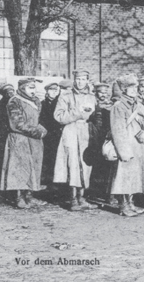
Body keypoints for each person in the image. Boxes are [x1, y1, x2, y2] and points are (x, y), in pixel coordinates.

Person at [53, 70, 98, 211]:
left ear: (87, 80)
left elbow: (96, 115)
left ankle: (82, 198)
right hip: (71, 131)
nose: (80, 82)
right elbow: (58, 116)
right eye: (78, 79)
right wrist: (77, 113)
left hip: (86, 132)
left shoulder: (92, 97)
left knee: (85, 165)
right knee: (72, 164)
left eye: (83, 79)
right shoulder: (65, 96)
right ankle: (73, 200)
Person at [0, 78, 48, 208]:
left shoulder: (36, 101)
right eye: (30, 88)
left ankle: (29, 196)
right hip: (19, 138)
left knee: (34, 167)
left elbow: (35, 120)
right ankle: (19, 198)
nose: (33, 91)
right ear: (22, 88)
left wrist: (41, 128)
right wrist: (36, 131)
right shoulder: (14, 101)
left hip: (34, 140)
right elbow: (17, 124)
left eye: (34, 88)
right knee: (20, 168)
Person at [110, 74, 144, 217]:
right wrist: (124, 151)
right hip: (126, 146)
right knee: (123, 176)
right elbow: (118, 130)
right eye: (129, 87)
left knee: (135, 176)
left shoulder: (139, 105)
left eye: (134, 87)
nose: (133, 90)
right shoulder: (118, 106)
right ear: (123, 90)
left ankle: (131, 203)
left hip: (138, 145)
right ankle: (123, 205)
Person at [89, 83, 116, 204]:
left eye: (105, 92)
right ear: (96, 93)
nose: (103, 95)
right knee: (97, 169)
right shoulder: (93, 104)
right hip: (96, 139)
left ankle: (109, 195)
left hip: (109, 139)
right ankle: (94, 194)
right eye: (101, 92)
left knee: (109, 169)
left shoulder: (112, 105)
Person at [0, 84, 15, 190]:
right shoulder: (0, 107)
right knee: (1, 160)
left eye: (12, 91)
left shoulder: (16, 104)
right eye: (8, 92)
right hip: (2, 137)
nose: (10, 94)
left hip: (14, 136)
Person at [39, 82, 61, 189]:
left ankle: (57, 184)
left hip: (58, 134)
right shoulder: (42, 104)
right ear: (47, 91)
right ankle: (48, 183)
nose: (54, 92)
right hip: (47, 135)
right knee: (47, 159)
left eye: (56, 90)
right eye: (51, 90)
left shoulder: (60, 103)